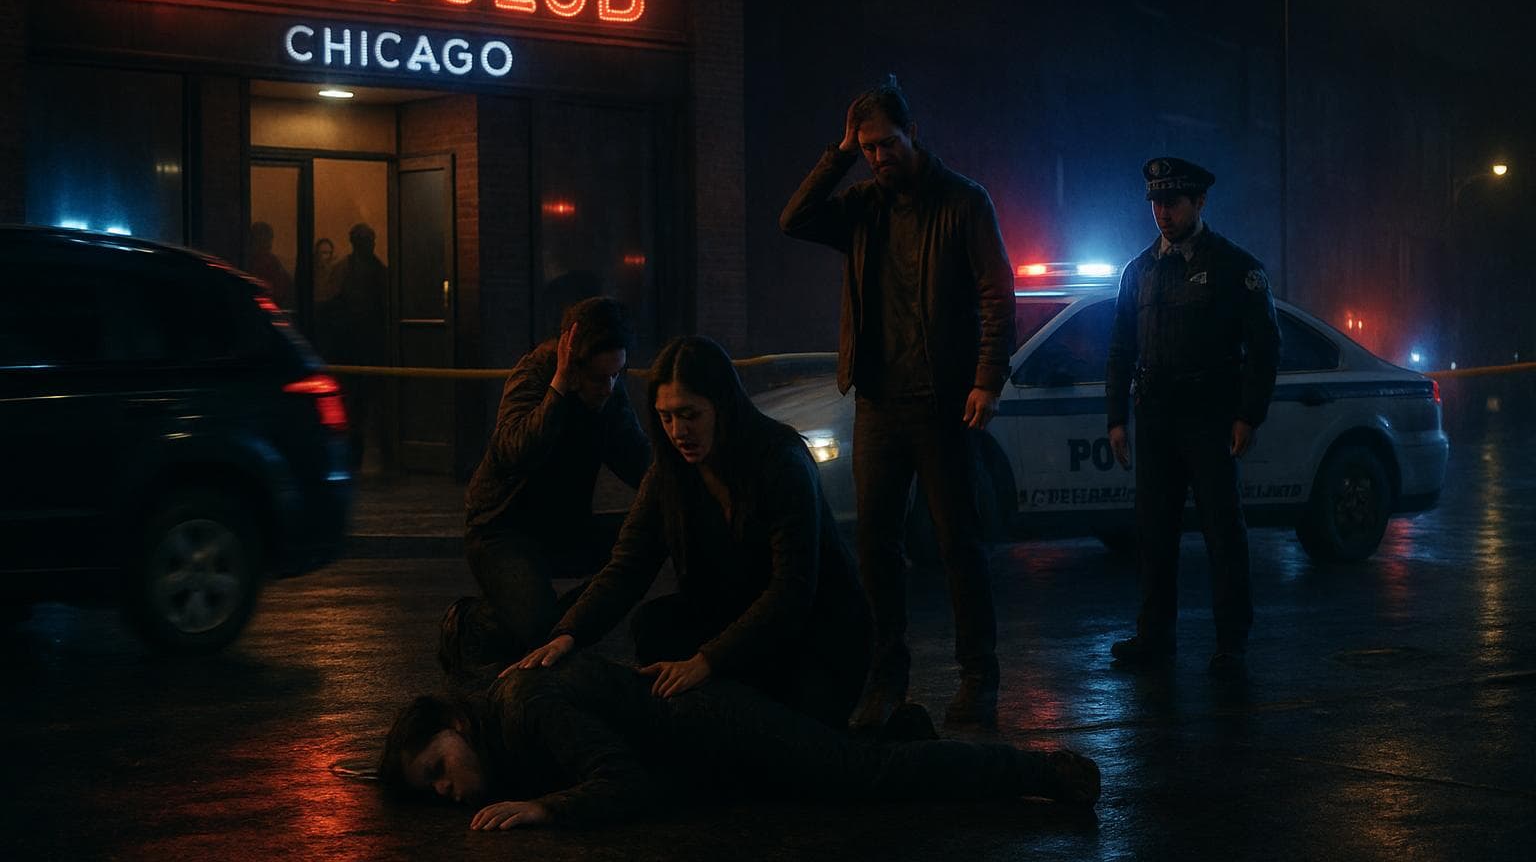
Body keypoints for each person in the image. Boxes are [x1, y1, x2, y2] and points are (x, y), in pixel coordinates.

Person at [779, 78, 1016, 729]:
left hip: (941, 403)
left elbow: (997, 290)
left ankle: (978, 674)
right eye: (868, 148)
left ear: (912, 135)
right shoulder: (861, 206)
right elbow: (794, 218)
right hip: (879, 403)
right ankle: (886, 673)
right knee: (876, 546)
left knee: (957, 543)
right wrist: (837, 154)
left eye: (886, 143)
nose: (879, 156)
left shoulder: (964, 202)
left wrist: (987, 378)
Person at [515, 336, 873, 730]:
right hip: (738, 618)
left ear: (722, 406)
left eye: (689, 414)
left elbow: (792, 589)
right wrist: (568, 633)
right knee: (656, 625)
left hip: (815, 634)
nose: (677, 430)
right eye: (666, 417)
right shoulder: (670, 472)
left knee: (792, 741)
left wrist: (707, 661)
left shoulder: (780, 461)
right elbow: (628, 566)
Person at [377, 653, 1101, 829]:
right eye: (431, 787)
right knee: (844, 774)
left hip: (721, 729)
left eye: (438, 767)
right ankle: (897, 727)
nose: (446, 789)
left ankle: (1039, 768)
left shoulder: (526, 708)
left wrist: (548, 809)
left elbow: (622, 779)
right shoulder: (498, 723)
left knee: (864, 777)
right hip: (712, 750)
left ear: (459, 726)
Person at [1104, 157, 1281, 681]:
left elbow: (1265, 346)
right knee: (1153, 532)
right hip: (1155, 416)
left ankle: (1232, 642)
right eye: (1156, 203)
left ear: (1199, 203)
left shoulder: (1233, 266)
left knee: (1222, 531)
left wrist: (1249, 414)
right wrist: (1117, 418)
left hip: (1209, 416)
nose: (1162, 213)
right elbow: (1120, 347)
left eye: (1172, 203)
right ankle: (1155, 635)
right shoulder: (1138, 271)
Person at [452, 297, 651, 676]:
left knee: (649, 537)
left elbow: (636, 456)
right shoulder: (535, 376)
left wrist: (683, 492)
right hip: (502, 529)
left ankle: (556, 616)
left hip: (565, 527)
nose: (608, 388)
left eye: (617, 375)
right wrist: (558, 391)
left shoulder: (607, 388)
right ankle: (473, 621)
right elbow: (513, 451)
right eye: (599, 378)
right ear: (571, 364)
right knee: (544, 635)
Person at [328, 222, 390, 469]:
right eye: (364, 240)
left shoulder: (373, 271)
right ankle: (359, 455)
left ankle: (373, 454)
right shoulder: (350, 270)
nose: (368, 244)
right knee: (358, 404)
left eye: (369, 239)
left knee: (368, 404)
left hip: (368, 345)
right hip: (353, 345)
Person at [245, 220, 294, 310]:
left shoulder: (272, 261)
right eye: (262, 238)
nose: (268, 242)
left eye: (268, 238)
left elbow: (286, 285)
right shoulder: (250, 261)